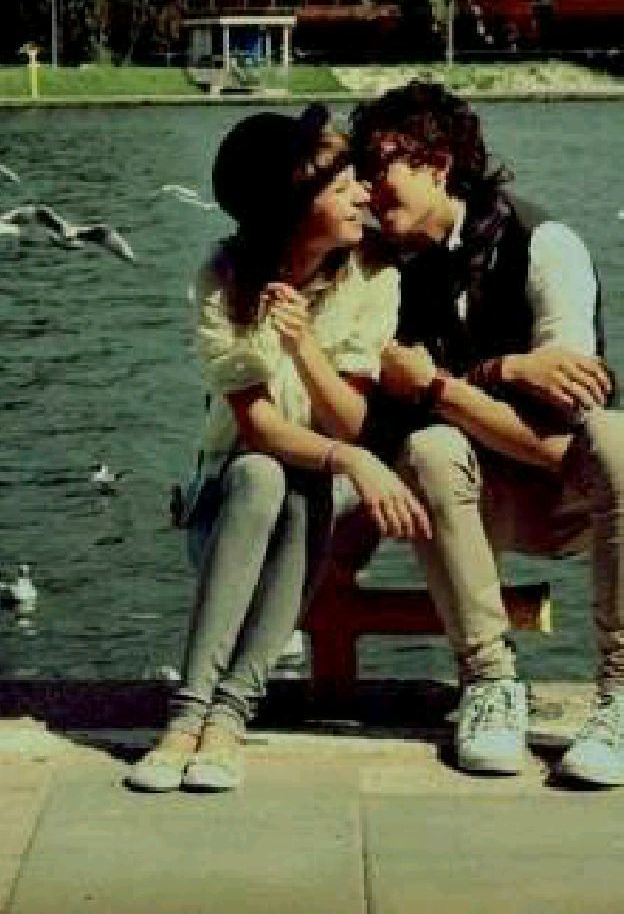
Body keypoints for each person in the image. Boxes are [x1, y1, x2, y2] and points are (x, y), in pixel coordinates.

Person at [347, 81, 624, 786]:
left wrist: (447, 383)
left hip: (567, 498)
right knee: (429, 448)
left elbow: (562, 439)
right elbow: (396, 424)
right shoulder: (380, 267)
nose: (366, 187)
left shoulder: (545, 246)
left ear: (439, 164)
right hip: (465, 500)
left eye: (380, 166)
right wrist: (503, 377)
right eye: (359, 171)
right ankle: (489, 683)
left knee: (619, 438)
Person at [126, 106, 430, 794]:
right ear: (294, 208)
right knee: (263, 474)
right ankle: (188, 717)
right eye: (343, 186)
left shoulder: (372, 274)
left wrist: (303, 345)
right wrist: (354, 460)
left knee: (304, 484)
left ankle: (226, 718)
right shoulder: (225, 275)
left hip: (319, 502)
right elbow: (258, 426)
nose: (364, 194)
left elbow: (349, 423)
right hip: (229, 506)